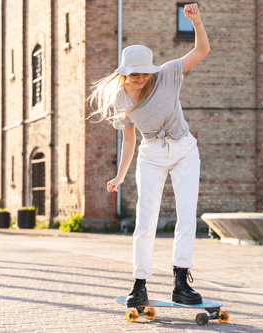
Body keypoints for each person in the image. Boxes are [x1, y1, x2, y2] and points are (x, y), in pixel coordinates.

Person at [88, 3, 209, 307]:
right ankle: (139, 284)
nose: (140, 79)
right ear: (124, 73)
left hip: (183, 148)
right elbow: (129, 139)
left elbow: (201, 51)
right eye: (134, 75)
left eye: (144, 73)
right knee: (146, 219)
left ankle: (181, 282)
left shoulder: (167, 73)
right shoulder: (119, 97)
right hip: (151, 152)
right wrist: (120, 175)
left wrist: (196, 22)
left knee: (185, 215)